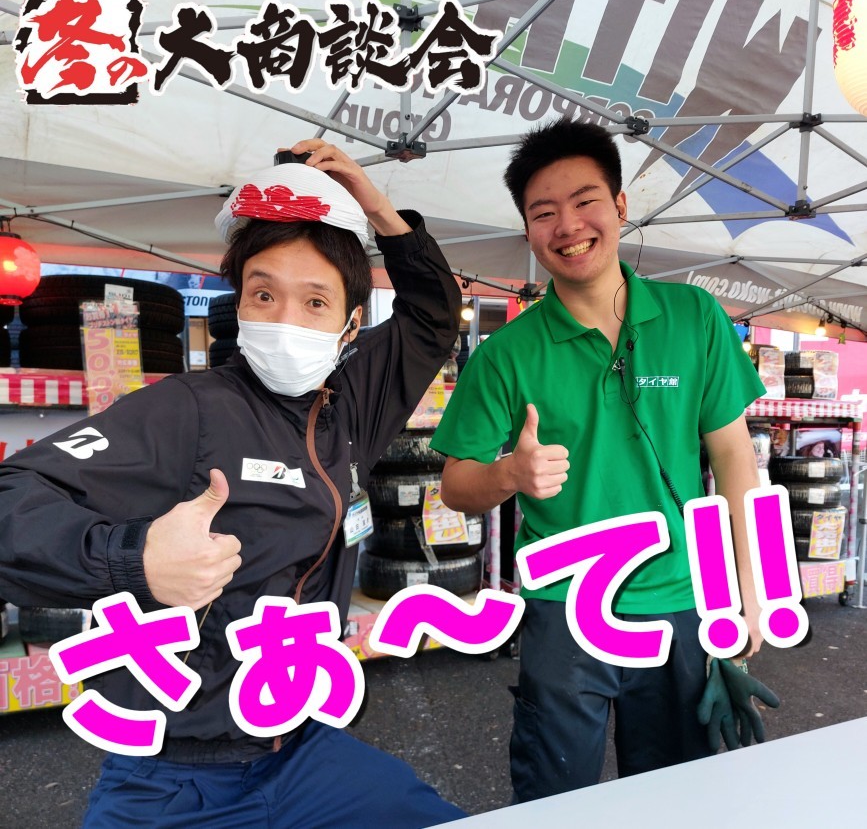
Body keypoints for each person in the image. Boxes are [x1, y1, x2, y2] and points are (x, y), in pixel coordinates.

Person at [0, 140, 465, 828]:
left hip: (301, 747)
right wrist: (133, 558)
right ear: (238, 302)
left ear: (349, 325)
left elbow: (432, 314)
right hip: (174, 771)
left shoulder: (352, 406)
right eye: (263, 294)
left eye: (314, 301)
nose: (284, 320)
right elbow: (11, 499)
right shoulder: (188, 410)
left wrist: (375, 207)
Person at [431, 118, 768, 802]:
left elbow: (734, 457)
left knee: (675, 798)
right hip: (564, 608)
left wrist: (751, 587)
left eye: (585, 201)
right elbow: (456, 485)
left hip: (682, 601)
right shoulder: (505, 354)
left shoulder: (694, 317)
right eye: (543, 212)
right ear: (528, 229)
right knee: (556, 797)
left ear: (619, 205)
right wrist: (509, 474)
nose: (567, 226)